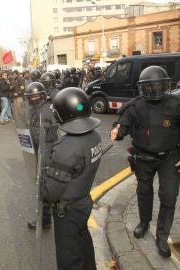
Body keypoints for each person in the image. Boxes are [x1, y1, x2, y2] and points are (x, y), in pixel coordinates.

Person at [110, 65, 180, 258]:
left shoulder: (176, 103)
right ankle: (143, 222)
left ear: (165, 85)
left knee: (168, 196)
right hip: (143, 157)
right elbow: (122, 124)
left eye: (158, 86)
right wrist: (116, 131)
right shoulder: (135, 105)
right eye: (150, 87)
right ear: (143, 88)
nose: (154, 90)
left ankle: (161, 236)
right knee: (143, 192)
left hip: (170, 158)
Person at [43, 87, 101, 269]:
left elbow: (50, 192)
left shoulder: (66, 148)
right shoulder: (95, 136)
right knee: (83, 241)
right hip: (84, 201)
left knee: (69, 257)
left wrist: (42, 184)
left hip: (67, 211)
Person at [24, 82, 58, 230]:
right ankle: (50, 215)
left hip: (46, 150)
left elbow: (41, 136)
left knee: (43, 185)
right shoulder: (39, 108)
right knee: (46, 184)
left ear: (42, 96)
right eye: (31, 97)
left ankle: (45, 219)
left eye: (36, 96)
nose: (34, 99)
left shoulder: (44, 111)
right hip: (43, 150)